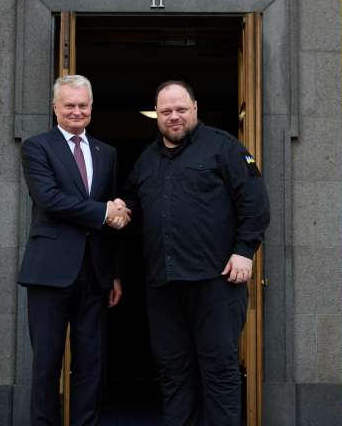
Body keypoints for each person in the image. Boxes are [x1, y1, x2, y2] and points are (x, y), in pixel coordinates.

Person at [119, 80, 270, 426]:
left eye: (181, 109)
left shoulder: (224, 147)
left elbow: (256, 203)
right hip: (164, 287)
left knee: (219, 372)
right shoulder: (146, 160)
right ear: (157, 114)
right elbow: (131, 202)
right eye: (166, 111)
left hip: (216, 283)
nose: (174, 116)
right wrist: (120, 208)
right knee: (174, 374)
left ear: (195, 109)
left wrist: (244, 251)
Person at [18, 74, 131, 426]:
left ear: (92, 107)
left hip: (95, 274)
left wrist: (114, 272)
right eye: (69, 105)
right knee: (46, 364)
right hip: (50, 271)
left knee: (91, 364)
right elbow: (49, 200)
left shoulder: (106, 153)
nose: (77, 111)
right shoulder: (37, 147)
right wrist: (104, 212)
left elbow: (110, 216)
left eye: (83, 105)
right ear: (55, 107)